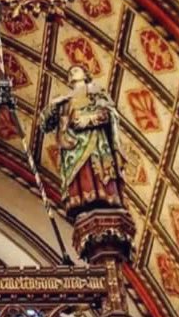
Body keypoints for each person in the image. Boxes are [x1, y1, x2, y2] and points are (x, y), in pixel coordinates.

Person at [42, 65, 124, 216]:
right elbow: (45, 125)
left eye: (77, 70)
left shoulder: (95, 92)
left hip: (94, 139)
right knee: (80, 174)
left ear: (86, 74)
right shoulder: (64, 101)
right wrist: (53, 105)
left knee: (95, 169)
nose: (72, 72)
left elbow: (109, 113)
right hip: (71, 146)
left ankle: (103, 196)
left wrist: (89, 119)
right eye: (70, 71)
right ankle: (80, 200)